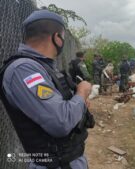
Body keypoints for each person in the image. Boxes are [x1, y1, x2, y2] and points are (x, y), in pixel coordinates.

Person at [0, 10, 95, 169]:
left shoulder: (43, 67)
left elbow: (61, 106)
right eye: (63, 37)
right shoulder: (24, 69)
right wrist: (82, 92)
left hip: (69, 159)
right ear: (57, 37)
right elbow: (61, 122)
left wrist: (79, 105)